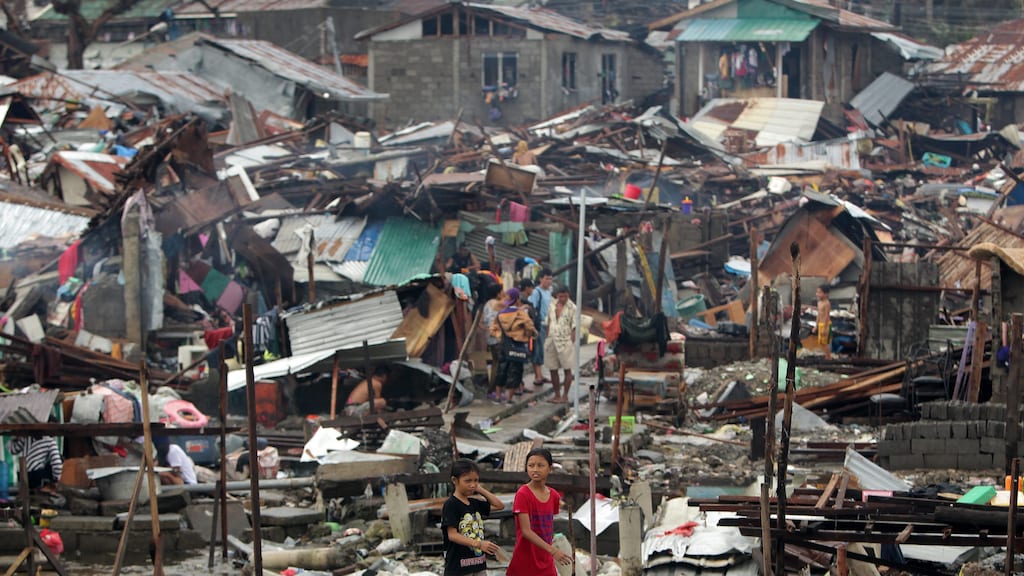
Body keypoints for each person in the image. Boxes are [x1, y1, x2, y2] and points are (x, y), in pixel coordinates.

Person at [507, 448, 572, 576]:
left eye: (540, 465)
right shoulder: (522, 494)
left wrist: (551, 550)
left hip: (545, 558)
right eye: (531, 465)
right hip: (526, 558)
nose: (535, 469)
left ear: (550, 468)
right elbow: (526, 531)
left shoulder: (553, 495)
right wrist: (553, 551)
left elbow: (546, 526)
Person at [441, 459, 505, 576]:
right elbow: (452, 535)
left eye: (476, 480)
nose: (472, 484)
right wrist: (479, 544)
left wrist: (480, 489)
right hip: (459, 567)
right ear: (455, 480)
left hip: (478, 564)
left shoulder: (474, 503)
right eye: (468, 481)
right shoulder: (451, 504)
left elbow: (499, 505)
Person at [489, 288, 536, 404]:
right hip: (518, 346)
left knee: (502, 370)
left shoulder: (500, 315)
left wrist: (500, 335)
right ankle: (509, 398)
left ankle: (498, 396)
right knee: (515, 372)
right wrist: (524, 336)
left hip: (504, 345)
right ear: (518, 299)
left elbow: (492, 329)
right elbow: (530, 327)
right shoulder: (521, 314)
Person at [545, 286, 577, 404]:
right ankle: (557, 394)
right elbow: (548, 322)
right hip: (551, 340)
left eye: (565, 296)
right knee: (552, 369)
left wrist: (571, 341)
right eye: (560, 296)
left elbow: (575, 326)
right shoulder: (552, 306)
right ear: (557, 296)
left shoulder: (573, 308)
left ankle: (565, 395)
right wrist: (547, 338)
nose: (563, 298)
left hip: (565, 341)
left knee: (567, 369)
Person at [528, 269, 554, 386]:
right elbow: (531, 307)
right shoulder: (536, 292)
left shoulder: (548, 292)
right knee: (537, 350)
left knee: (542, 350)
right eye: (547, 278)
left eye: (550, 279)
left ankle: (540, 375)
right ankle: (537, 376)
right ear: (541, 279)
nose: (549, 281)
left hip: (546, 324)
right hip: (538, 324)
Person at [481, 290, 505, 393]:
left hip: (490, 338)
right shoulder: (496, 305)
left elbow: (482, 322)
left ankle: (494, 388)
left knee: (495, 363)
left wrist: (487, 331)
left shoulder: (486, 305)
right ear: (498, 293)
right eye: (502, 292)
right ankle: (495, 389)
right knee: (499, 364)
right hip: (497, 338)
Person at [816, 284, 832, 360]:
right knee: (821, 342)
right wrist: (816, 326)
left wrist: (825, 328)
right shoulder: (819, 303)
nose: (817, 294)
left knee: (825, 343)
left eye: (820, 292)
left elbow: (827, 316)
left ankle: (828, 357)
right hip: (820, 324)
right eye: (817, 292)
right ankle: (826, 356)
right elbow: (819, 315)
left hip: (826, 325)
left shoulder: (827, 303)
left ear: (826, 294)